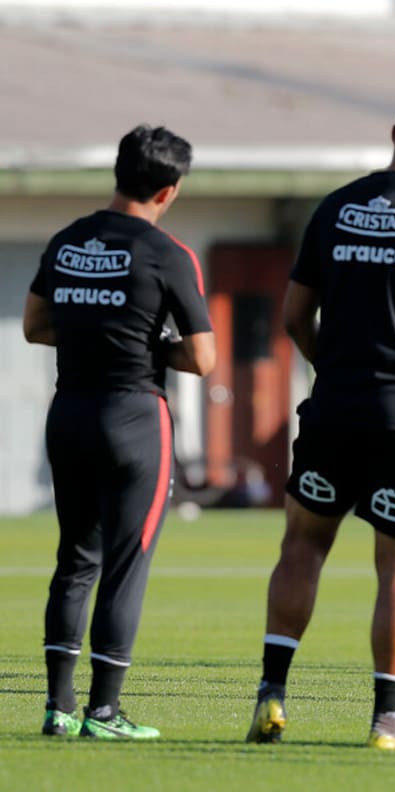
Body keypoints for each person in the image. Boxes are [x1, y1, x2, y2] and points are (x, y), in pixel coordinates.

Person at [244, 85, 395, 749]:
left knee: (301, 546)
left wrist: (332, 369)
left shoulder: (337, 207)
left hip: (333, 408)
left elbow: (295, 315)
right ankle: (387, 719)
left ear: (394, 133)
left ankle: (272, 693)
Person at [25, 124, 215, 739]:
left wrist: (92, 332)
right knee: (125, 565)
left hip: (70, 413)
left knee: (74, 561)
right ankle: (103, 713)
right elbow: (203, 357)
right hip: (135, 418)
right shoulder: (168, 253)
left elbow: (34, 325)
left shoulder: (67, 240)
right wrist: (148, 341)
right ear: (170, 189)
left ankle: (57, 707)